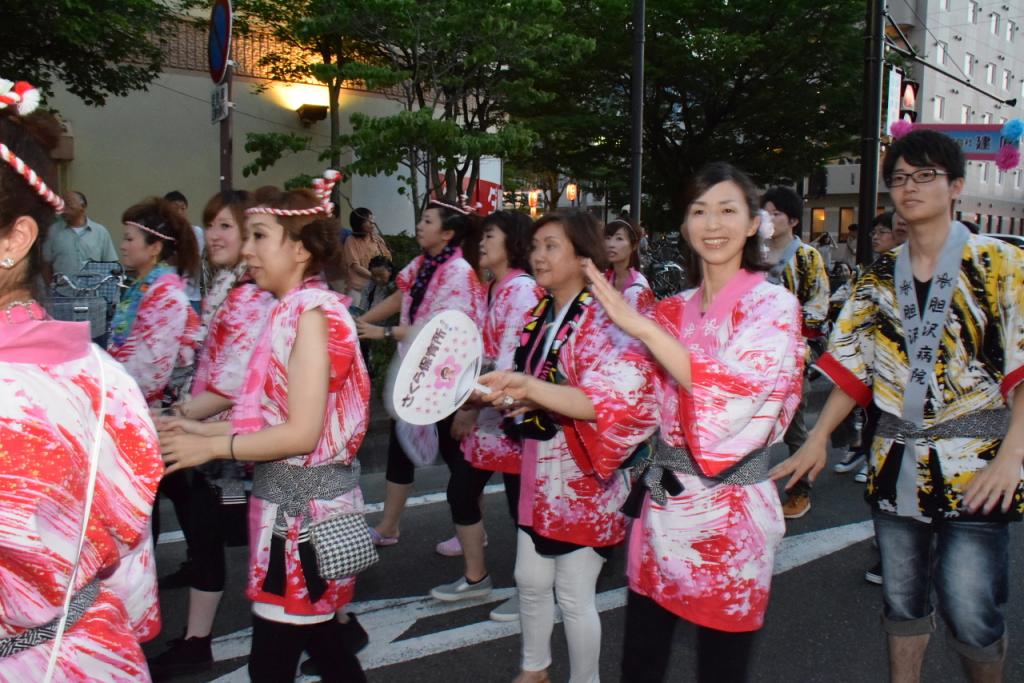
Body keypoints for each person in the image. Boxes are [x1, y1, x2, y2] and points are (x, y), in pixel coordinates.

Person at [772, 129, 1024, 683]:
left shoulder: (1001, 263)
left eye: (925, 175)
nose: (909, 187)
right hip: (894, 461)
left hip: (977, 467)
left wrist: (1012, 459)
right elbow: (853, 371)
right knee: (902, 601)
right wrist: (816, 438)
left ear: (957, 185)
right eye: (900, 177)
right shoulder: (876, 278)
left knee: (971, 608)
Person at [583, 163, 803, 683]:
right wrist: (528, 390)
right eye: (698, 211)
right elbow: (621, 398)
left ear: (754, 223)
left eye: (728, 210)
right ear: (684, 225)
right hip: (663, 511)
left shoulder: (774, 306)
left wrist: (638, 324)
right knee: (639, 662)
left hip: (730, 519)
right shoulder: (671, 311)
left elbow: (737, 392)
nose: (712, 223)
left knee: (720, 671)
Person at [158, 175, 370, 683]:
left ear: (299, 250)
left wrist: (213, 446)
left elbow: (300, 433)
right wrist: (195, 433)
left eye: (259, 236)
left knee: (273, 665)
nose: (247, 250)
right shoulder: (293, 311)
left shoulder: (313, 316)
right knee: (324, 648)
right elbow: (269, 418)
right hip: (291, 511)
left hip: (302, 520)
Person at [0, 77, 162, 680]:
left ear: (15, 238)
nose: (121, 244)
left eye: (131, 237)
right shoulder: (107, 380)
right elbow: (133, 583)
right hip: (93, 652)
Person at [479, 210, 658, 683]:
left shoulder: (605, 319)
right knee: (530, 580)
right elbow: (528, 380)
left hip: (584, 474)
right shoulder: (540, 313)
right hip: (540, 465)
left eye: (551, 246)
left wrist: (530, 391)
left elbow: (605, 403)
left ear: (583, 257)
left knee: (574, 594)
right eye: (536, 246)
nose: (538, 255)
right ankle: (534, 669)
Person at [145, 190, 276, 680]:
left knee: (214, 539)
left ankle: (199, 643)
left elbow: (230, 385)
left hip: (230, 442)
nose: (215, 235)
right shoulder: (229, 285)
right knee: (210, 538)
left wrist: (173, 417)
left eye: (227, 226)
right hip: (212, 434)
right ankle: (336, 628)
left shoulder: (248, 295)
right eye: (211, 225)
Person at [430, 211, 544, 621]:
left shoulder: (521, 292)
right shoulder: (496, 288)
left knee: (522, 509)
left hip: (516, 419)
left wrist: (465, 405)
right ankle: (477, 580)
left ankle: (530, 592)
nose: (481, 242)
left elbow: (509, 364)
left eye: (490, 235)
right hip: (492, 417)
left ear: (511, 241)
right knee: (462, 492)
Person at [356, 200, 485, 547]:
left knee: (457, 456)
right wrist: (363, 321)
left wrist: (384, 333)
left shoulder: (458, 272)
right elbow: (402, 297)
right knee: (401, 450)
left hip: (444, 376)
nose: (419, 225)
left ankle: (471, 531)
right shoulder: (423, 264)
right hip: (419, 372)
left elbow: (440, 333)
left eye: (427, 221)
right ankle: (389, 525)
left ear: (447, 233)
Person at [761, 186, 829, 519]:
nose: (770, 218)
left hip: (792, 353)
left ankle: (801, 491)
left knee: (796, 423)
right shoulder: (753, 254)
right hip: (754, 355)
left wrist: (790, 334)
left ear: (792, 220)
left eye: (776, 213)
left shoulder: (806, 257)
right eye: (766, 212)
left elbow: (818, 306)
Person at [41, 189, 118, 279]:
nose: (63, 209)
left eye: (68, 204)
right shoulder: (53, 231)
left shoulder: (100, 232)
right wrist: (51, 289)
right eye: (61, 204)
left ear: (83, 206)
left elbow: (111, 265)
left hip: (93, 291)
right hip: (63, 291)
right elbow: (46, 265)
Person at [165, 190, 208, 314]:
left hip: (191, 297)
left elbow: (195, 261)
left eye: (183, 208)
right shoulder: (161, 235)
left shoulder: (195, 233)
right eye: (174, 208)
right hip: (168, 296)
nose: (179, 212)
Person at [604, 217, 655, 313]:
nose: (611, 244)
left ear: (634, 245)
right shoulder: (603, 279)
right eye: (608, 238)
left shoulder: (639, 288)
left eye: (619, 238)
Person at [342, 207, 392, 302]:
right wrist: (374, 276)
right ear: (359, 224)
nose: (372, 224)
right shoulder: (351, 241)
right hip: (358, 290)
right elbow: (355, 266)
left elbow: (387, 258)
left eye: (372, 220)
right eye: (368, 221)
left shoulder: (377, 240)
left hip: (376, 289)